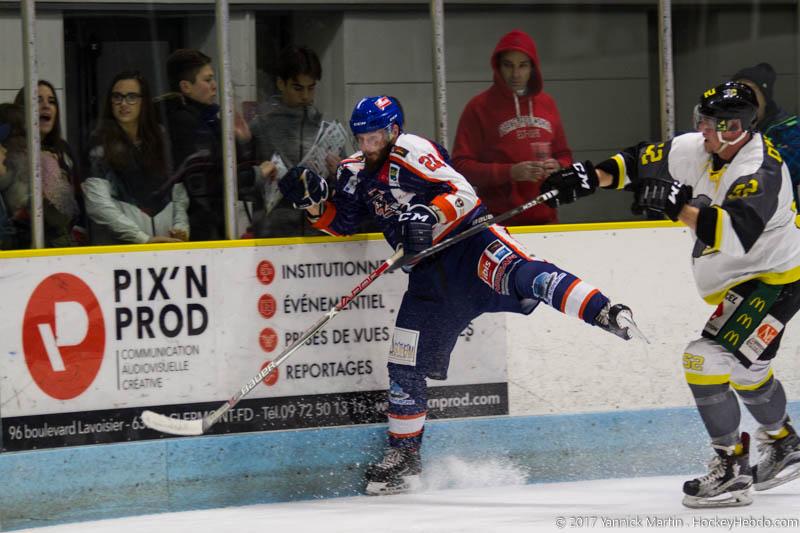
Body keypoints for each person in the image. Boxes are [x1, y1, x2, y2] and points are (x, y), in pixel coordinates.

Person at [278, 95, 640, 496]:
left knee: (528, 277)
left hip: (470, 244)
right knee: (405, 361)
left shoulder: (412, 151)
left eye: (376, 136)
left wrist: (429, 214)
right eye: (362, 138)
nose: (368, 144)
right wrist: (314, 205)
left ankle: (602, 310)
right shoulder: (353, 171)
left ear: (394, 131)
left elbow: (463, 192)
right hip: (429, 277)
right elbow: (342, 222)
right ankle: (404, 457)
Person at [541, 81, 800, 508]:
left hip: (774, 283)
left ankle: (731, 469)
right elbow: (641, 162)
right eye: (703, 120)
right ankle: (786, 443)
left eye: (713, 124)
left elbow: (734, 236)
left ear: (736, 128)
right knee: (747, 371)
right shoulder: (704, 148)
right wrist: (590, 177)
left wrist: (675, 205)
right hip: (749, 282)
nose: (703, 130)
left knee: (705, 359)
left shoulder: (760, 171)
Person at [451, 29, 572, 226]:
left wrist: (558, 166)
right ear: (498, 66)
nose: (516, 74)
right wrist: (510, 172)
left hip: (546, 220)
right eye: (508, 65)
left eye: (522, 65)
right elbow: (461, 166)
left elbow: (565, 155)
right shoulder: (479, 108)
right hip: (499, 222)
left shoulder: (547, 104)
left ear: (533, 67)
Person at [158, 48, 272, 240]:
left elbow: (224, 167)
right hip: (200, 227)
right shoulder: (185, 124)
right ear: (186, 86)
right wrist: (255, 174)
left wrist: (244, 141)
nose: (214, 86)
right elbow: (208, 180)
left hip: (212, 223)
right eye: (207, 80)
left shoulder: (208, 119)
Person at [238, 45, 341, 237]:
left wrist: (338, 173)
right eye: (297, 88)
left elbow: (347, 190)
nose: (305, 96)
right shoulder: (260, 127)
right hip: (273, 234)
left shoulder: (326, 130)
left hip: (319, 234)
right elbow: (239, 186)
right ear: (280, 83)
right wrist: (258, 175)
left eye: (311, 88)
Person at [83, 71, 189, 245]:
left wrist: (181, 228)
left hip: (168, 244)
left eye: (131, 97)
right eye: (117, 97)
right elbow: (98, 204)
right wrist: (143, 239)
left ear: (144, 101)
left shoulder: (161, 139)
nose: (123, 103)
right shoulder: (99, 144)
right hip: (122, 250)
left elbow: (178, 194)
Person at [12, 81, 86, 247]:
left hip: (64, 245)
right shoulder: (11, 152)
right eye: (37, 100)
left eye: (51, 101)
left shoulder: (63, 149)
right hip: (23, 246)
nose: (46, 106)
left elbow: (78, 201)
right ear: (21, 110)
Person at [732, 62, 800, 207]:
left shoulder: (792, 130)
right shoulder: (722, 130)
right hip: (730, 215)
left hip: (780, 217)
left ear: (765, 99)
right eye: (737, 92)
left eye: (751, 92)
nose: (743, 99)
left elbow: (777, 174)